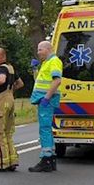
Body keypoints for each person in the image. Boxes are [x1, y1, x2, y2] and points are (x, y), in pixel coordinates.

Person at [0, 47, 23, 172]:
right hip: (10, 99)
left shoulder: (1, 69)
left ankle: (1, 163)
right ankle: (12, 161)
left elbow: (1, 79)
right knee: (8, 133)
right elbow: (20, 83)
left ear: (3, 57)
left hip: (0, 102)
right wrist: (10, 91)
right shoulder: (10, 68)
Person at [29, 40, 62, 172]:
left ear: (47, 49)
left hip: (46, 100)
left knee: (44, 129)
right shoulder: (47, 63)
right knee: (46, 128)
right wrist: (35, 69)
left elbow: (57, 80)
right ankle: (51, 158)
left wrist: (47, 98)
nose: (38, 53)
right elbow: (39, 81)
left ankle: (46, 159)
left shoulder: (54, 61)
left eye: (40, 50)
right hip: (44, 99)